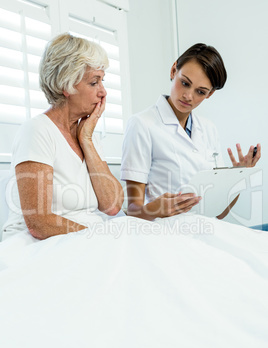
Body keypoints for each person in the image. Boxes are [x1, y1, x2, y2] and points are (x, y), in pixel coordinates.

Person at [2, 33, 124, 240]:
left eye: (102, 81)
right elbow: (39, 223)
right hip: (42, 244)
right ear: (65, 85)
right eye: (94, 83)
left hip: (83, 238)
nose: (103, 92)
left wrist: (86, 140)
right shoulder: (36, 130)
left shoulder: (89, 136)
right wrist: (97, 238)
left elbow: (112, 205)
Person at [121, 43, 261, 221]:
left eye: (200, 92)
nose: (188, 96)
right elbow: (133, 211)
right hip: (165, 231)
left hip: (206, 228)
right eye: (185, 83)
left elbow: (220, 213)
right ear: (173, 70)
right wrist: (156, 209)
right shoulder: (141, 124)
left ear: (209, 94)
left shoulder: (209, 129)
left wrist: (236, 177)